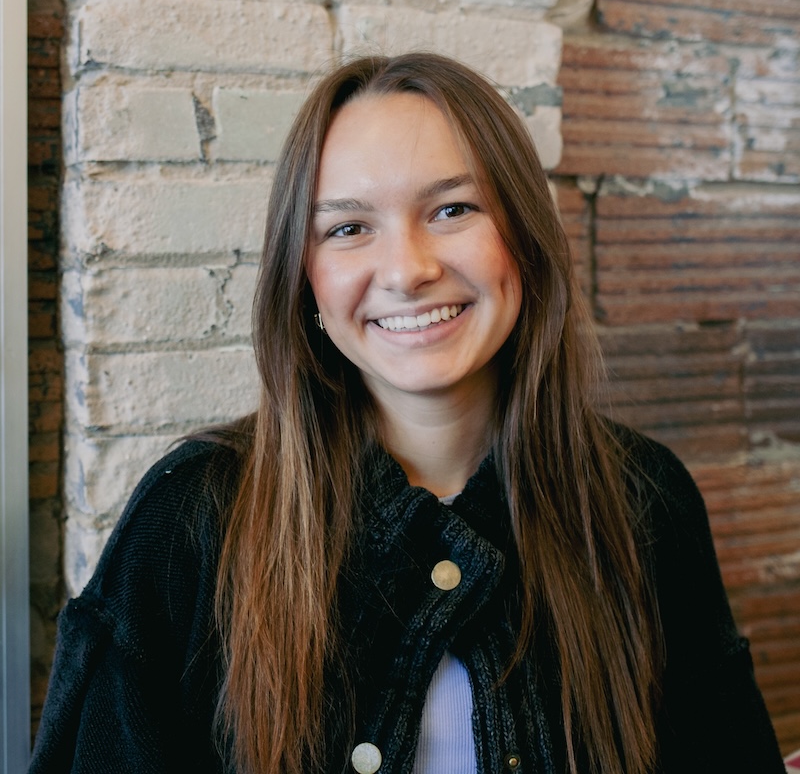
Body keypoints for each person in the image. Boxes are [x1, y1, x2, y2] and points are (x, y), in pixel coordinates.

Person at [29, 52, 786, 774]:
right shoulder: (190, 519)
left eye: (453, 209)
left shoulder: (643, 498)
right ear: (305, 276)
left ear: (524, 237)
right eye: (348, 228)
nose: (407, 270)